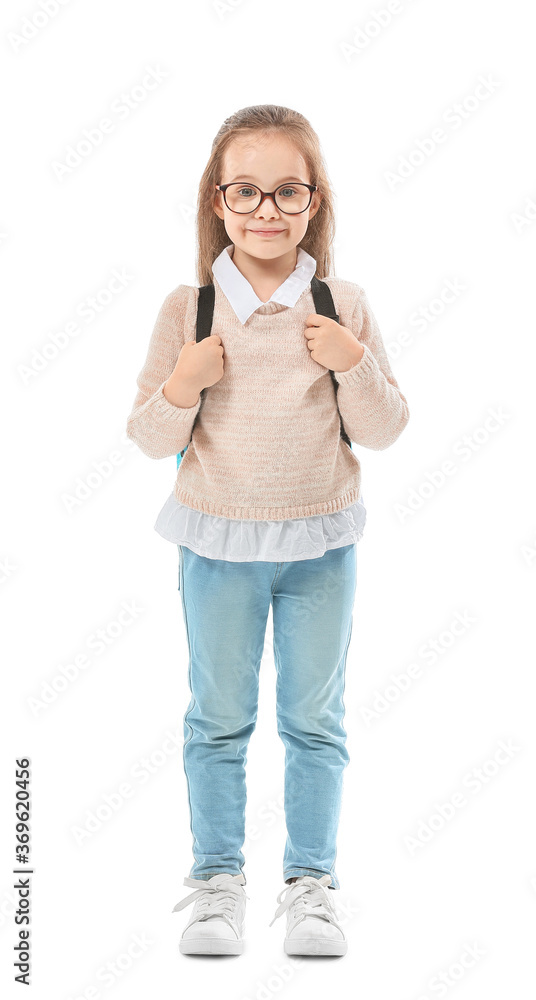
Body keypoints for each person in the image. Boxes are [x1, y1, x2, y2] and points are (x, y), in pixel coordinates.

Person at [126, 104, 410, 957]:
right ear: (217, 201)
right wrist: (184, 382)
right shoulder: (190, 308)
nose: (266, 210)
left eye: (288, 191)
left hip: (321, 545)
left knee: (315, 719)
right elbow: (148, 438)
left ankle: (311, 886)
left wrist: (351, 365)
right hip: (216, 546)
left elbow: (389, 428)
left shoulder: (343, 303)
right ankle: (217, 884)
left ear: (315, 201)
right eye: (245, 190)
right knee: (216, 717)